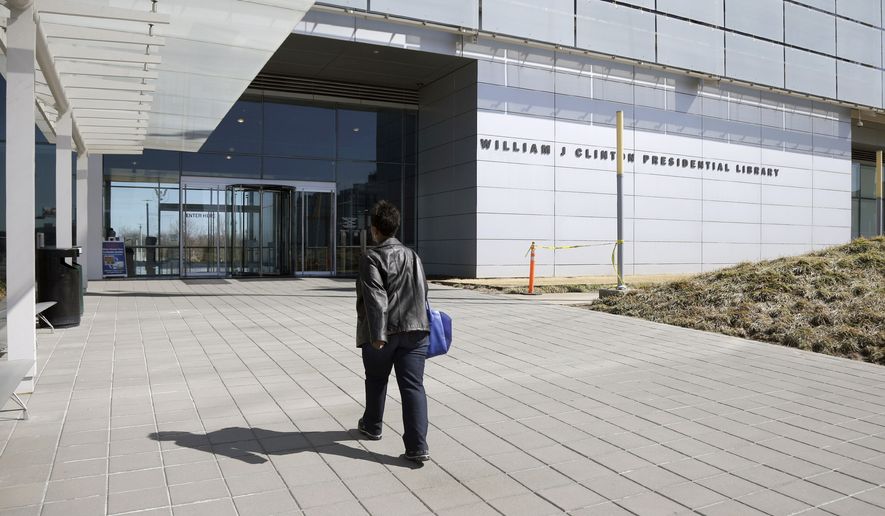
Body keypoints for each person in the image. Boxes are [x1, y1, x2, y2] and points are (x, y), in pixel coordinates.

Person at [356, 200, 431, 462]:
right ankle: (418, 447)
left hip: (384, 334)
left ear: (375, 229)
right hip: (416, 330)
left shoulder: (372, 257)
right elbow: (424, 291)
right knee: (413, 387)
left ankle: (372, 425)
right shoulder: (412, 255)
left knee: (376, 380)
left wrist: (377, 335)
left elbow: (375, 297)